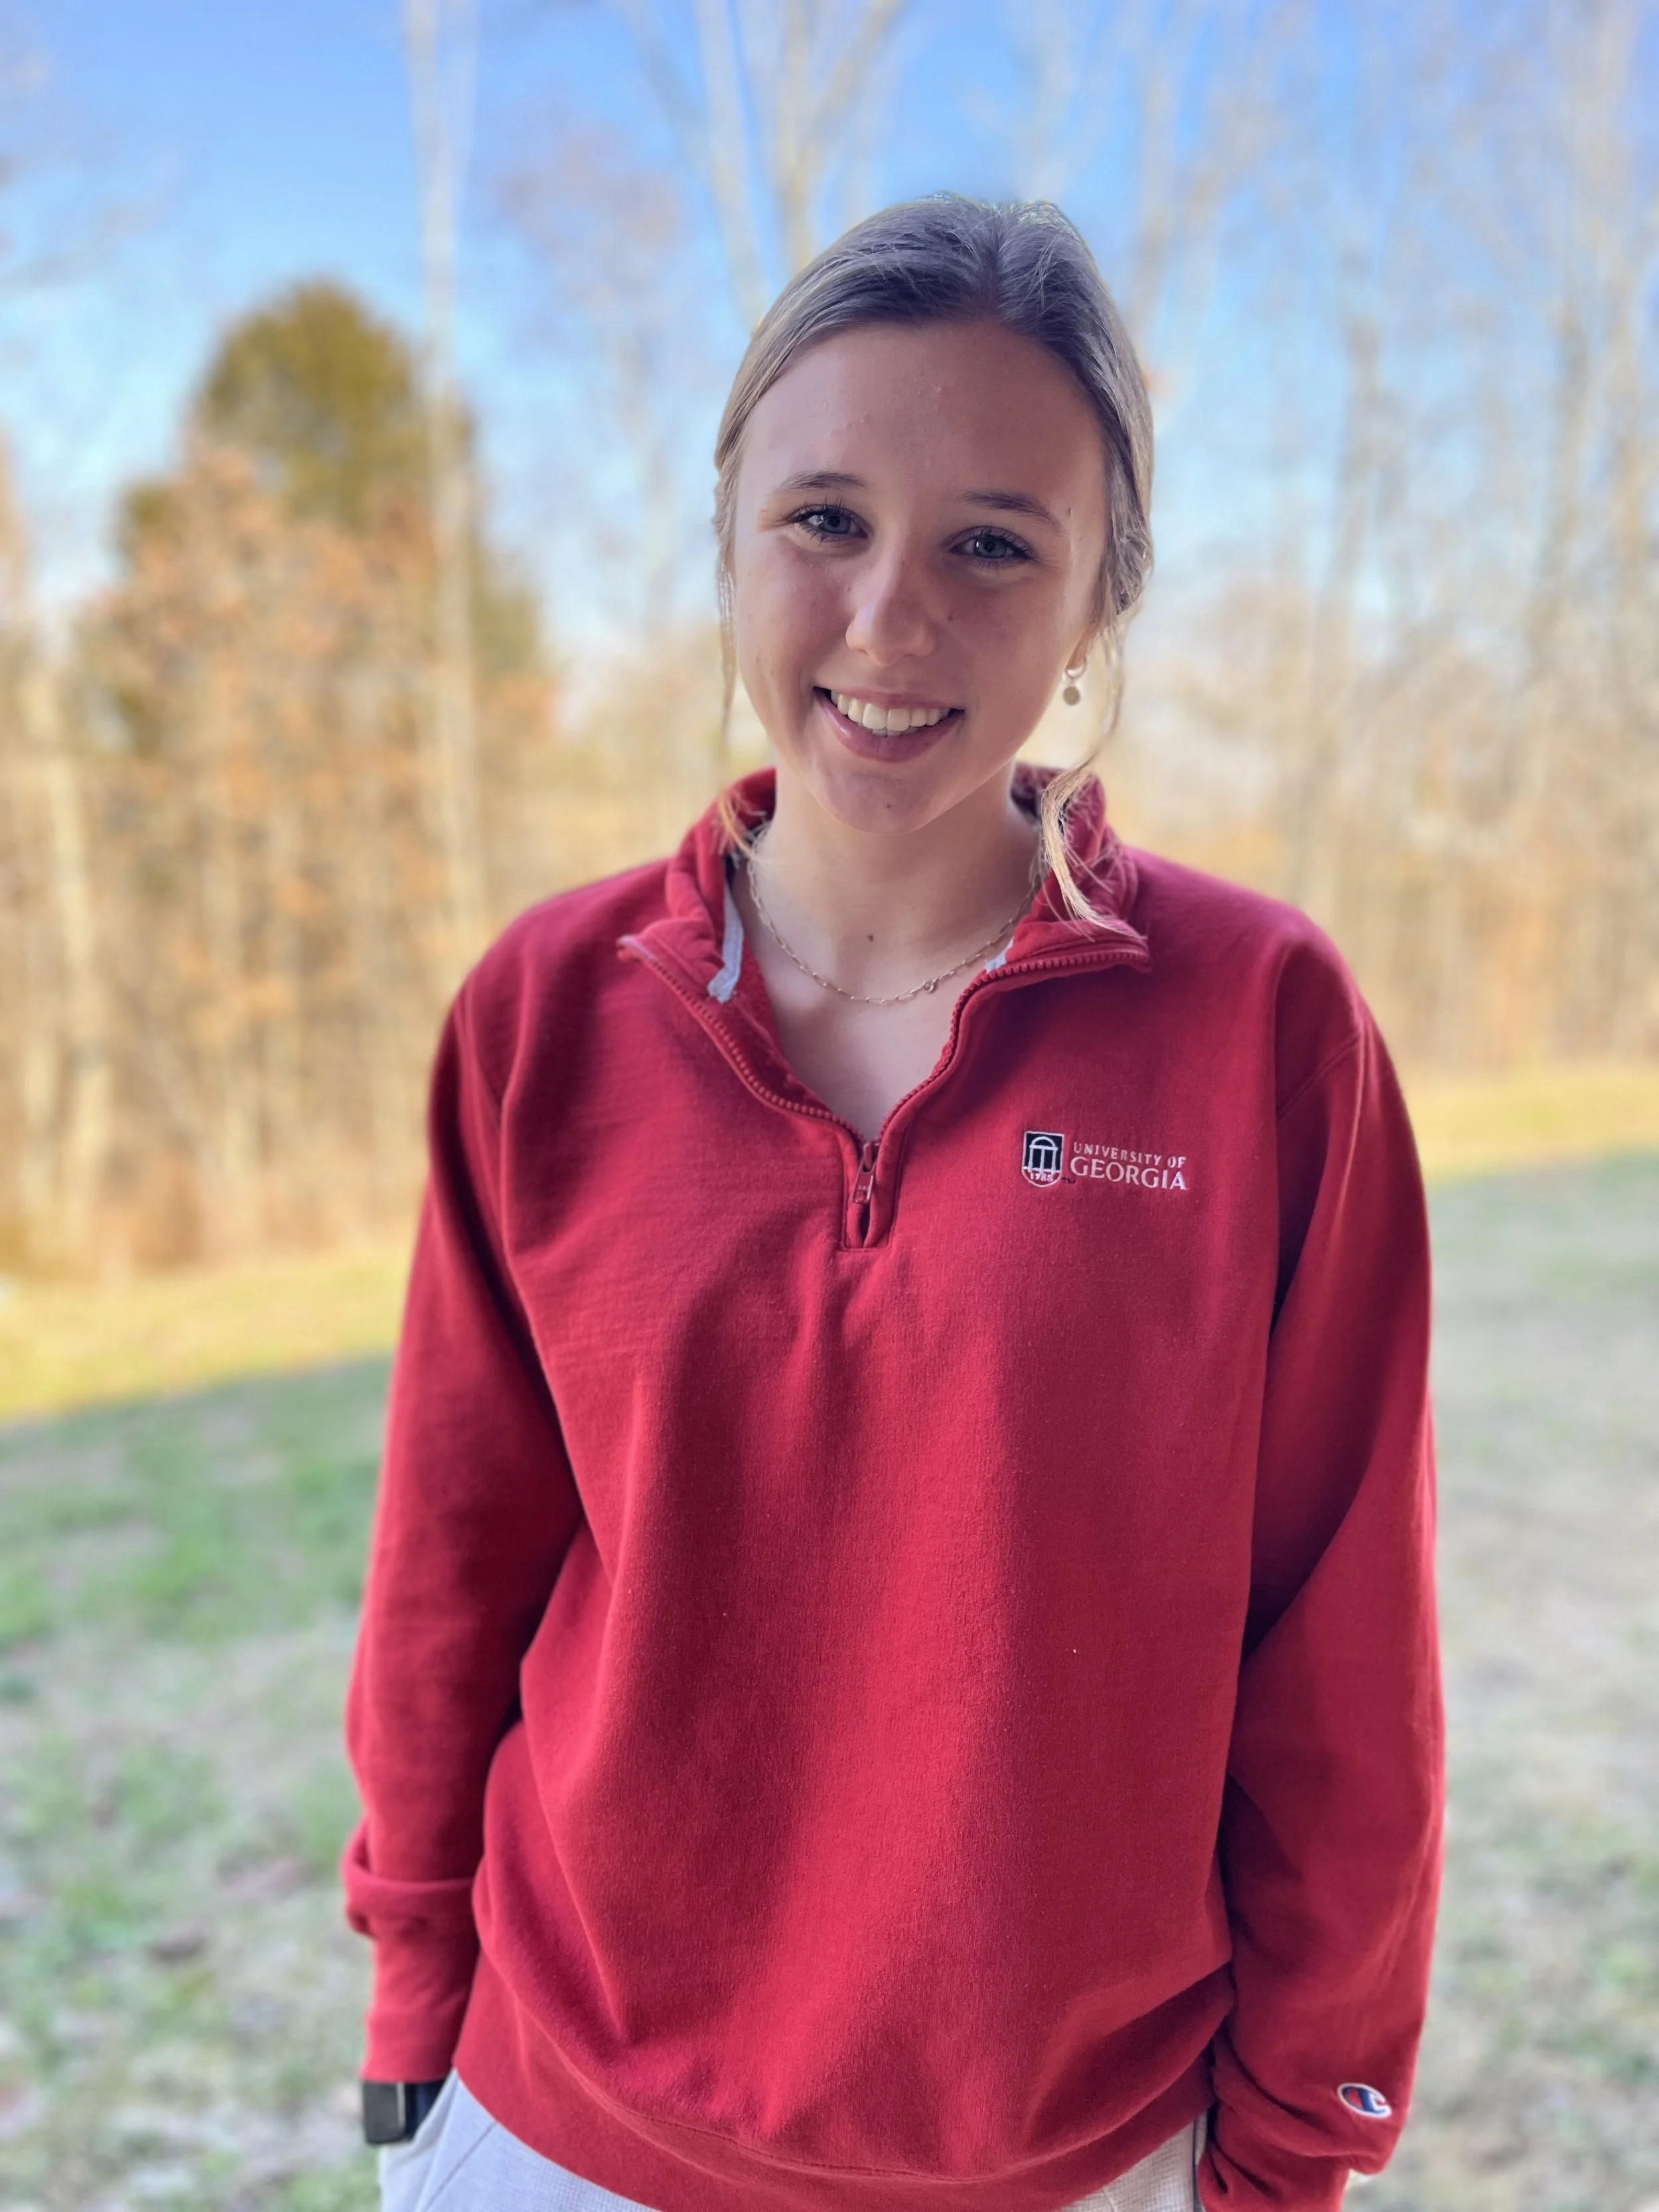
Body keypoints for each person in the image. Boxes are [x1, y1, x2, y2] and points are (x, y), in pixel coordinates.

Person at [341, 194, 1443, 2212]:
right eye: (824, 520)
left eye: (992, 545)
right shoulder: (543, 1016)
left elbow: (1340, 1650)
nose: (887, 623)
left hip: (1069, 2157)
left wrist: (1288, 2150)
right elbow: (446, 1571)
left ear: (1096, 598)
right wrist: (415, 2020)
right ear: (729, 538)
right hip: (554, 2130)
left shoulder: (1261, 1027)